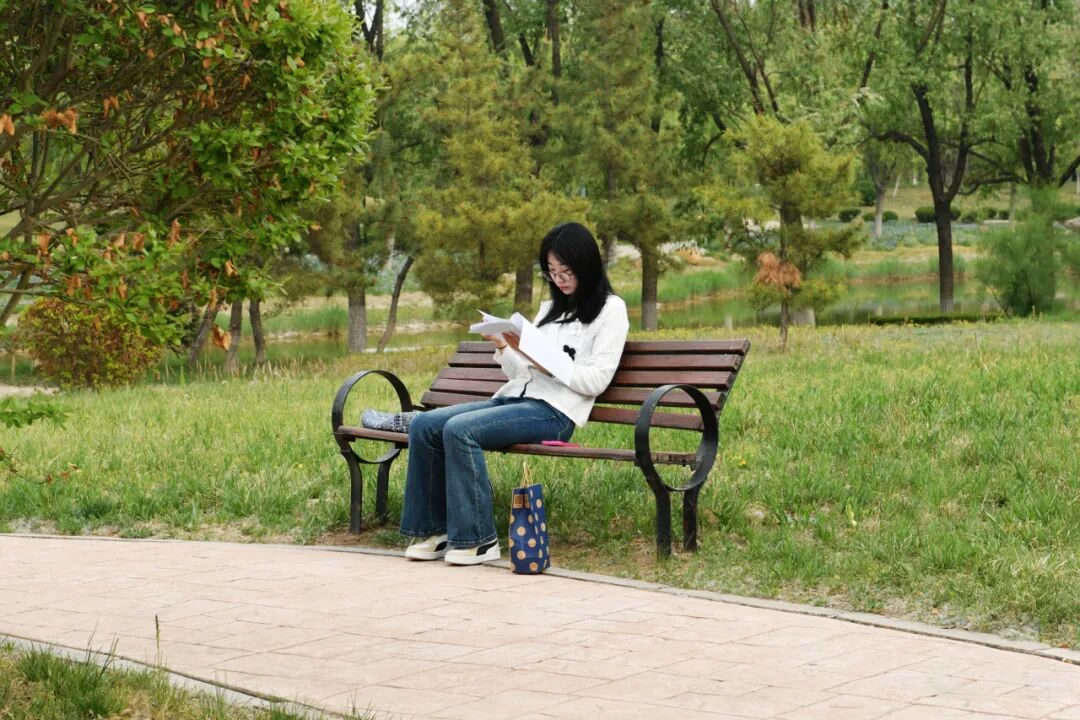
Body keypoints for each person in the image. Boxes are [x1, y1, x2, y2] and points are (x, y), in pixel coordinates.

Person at [400, 222, 630, 565]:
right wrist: (503, 345)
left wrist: (551, 364)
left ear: (587, 265)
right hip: (518, 400)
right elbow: (522, 373)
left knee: (460, 430)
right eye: (552, 272)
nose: (559, 279)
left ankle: (479, 540)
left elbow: (596, 380)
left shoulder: (611, 310)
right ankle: (438, 531)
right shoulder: (549, 310)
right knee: (425, 425)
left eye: (566, 271)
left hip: (555, 413)